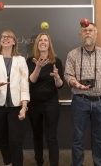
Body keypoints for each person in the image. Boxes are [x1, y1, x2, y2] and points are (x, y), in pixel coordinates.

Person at [64, 23, 101, 166]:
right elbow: (68, 75)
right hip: (80, 101)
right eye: (84, 30)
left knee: (99, 139)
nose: (88, 33)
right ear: (80, 34)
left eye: (91, 30)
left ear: (96, 34)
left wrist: (100, 88)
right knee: (78, 138)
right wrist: (76, 84)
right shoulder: (72, 54)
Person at [0, 30, 30, 166]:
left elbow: (24, 84)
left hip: (16, 106)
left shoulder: (21, 60)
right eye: (3, 36)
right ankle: (7, 163)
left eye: (9, 37)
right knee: (2, 138)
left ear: (14, 41)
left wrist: (24, 106)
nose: (5, 38)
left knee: (16, 140)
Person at [26, 32, 64, 166]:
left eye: (45, 40)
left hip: (51, 104)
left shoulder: (56, 61)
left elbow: (60, 85)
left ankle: (54, 163)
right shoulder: (30, 61)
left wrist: (56, 76)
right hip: (34, 104)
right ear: (37, 44)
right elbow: (31, 80)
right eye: (40, 40)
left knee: (51, 137)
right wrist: (38, 67)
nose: (43, 42)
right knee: (37, 136)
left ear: (49, 44)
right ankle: (39, 162)